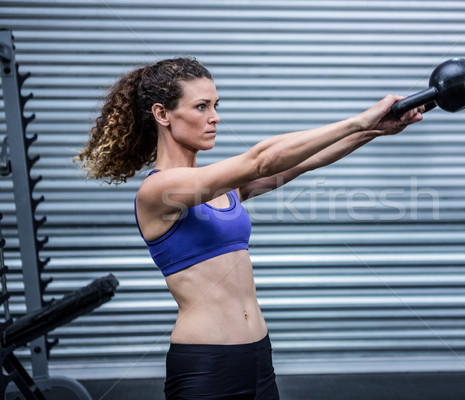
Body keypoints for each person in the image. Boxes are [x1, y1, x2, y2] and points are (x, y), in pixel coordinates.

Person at [75, 57, 423, 400]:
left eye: (215, 105)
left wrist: (375, 129)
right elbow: (260, 160)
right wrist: (359, 119)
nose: (215, 117)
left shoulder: (222, 188)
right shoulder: (158, 192)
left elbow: (302, 161)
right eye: (201, 107)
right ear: (162, 114)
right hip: (206, 367)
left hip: (258, 359)